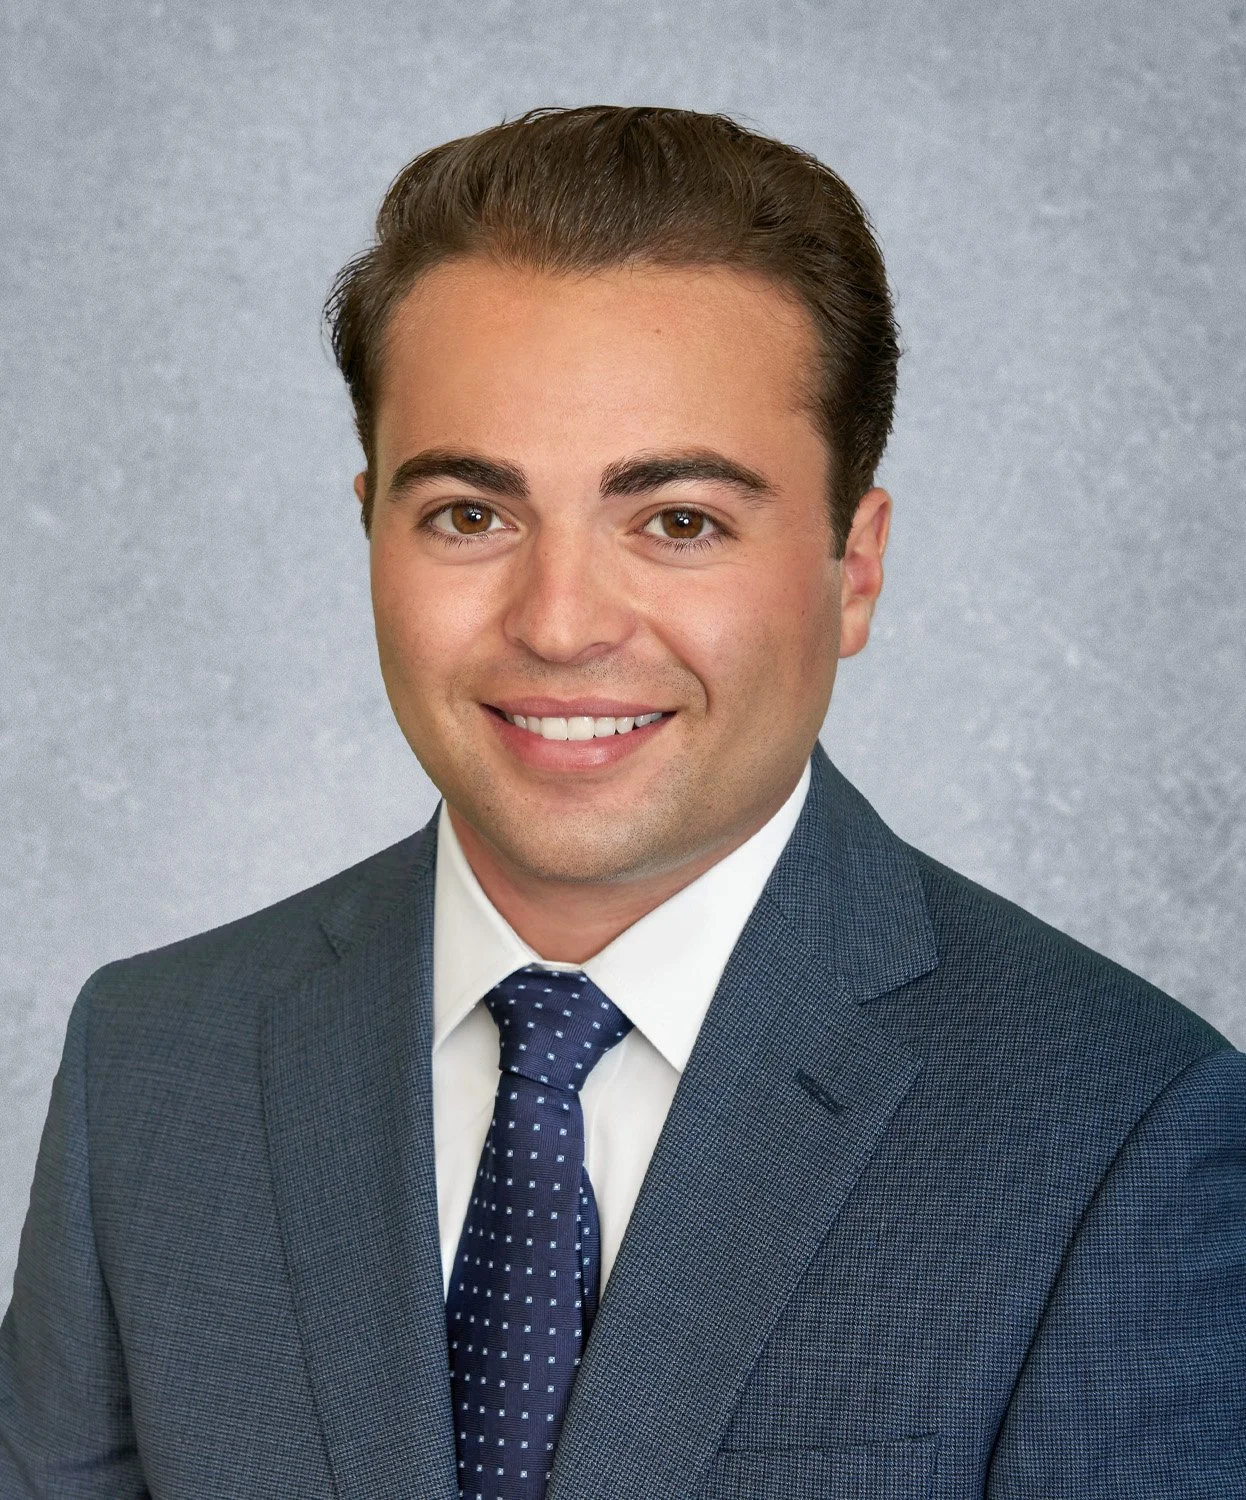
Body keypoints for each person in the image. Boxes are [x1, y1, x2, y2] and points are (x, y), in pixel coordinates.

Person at [1, 105, 1242, 1500]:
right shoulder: (157, 1060)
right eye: (471, 513)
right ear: (370, 532)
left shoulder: (1124, 1127)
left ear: (853, 569)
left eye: (679, 521)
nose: (560, 622)